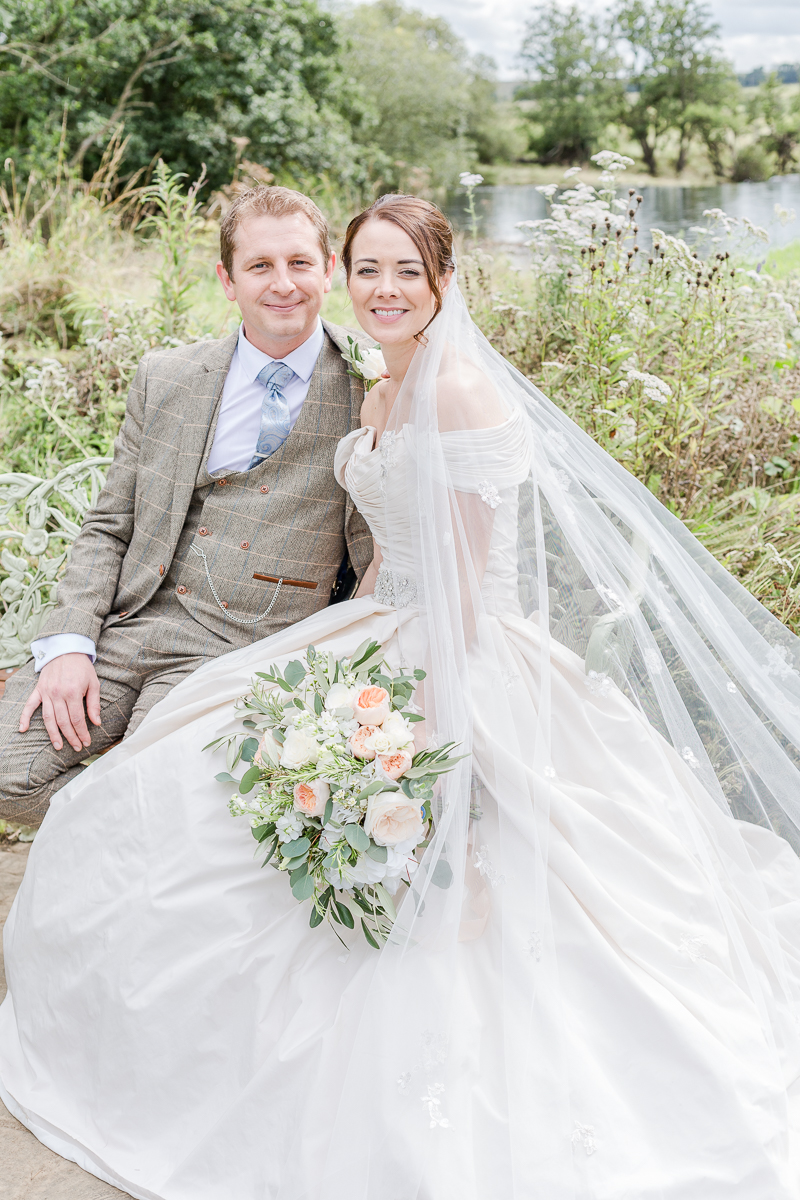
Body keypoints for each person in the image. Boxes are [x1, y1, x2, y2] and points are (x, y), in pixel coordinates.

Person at [1, 193, 800, 1200]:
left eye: (403, 273)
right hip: (379, 628)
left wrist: (419, 740)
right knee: (163, 799)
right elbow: (380, 563)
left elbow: (464, 598)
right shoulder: (383, 385)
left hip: (462, 655)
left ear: (442, 284)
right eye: (365, 270)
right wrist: (329, 665)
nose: (381, 289)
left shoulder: (456, 392)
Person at [0, 185, 373, 825]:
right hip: (137, 623)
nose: (283, 284)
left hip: (250, 648)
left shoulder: (375, 384)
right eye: (260, 266)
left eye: (299, 263)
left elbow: (383, 551)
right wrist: (68, 644)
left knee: (156, 795)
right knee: (9, 777)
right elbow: (109, 526)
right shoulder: (167, 376)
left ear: (329, 270)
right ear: (228, 281)